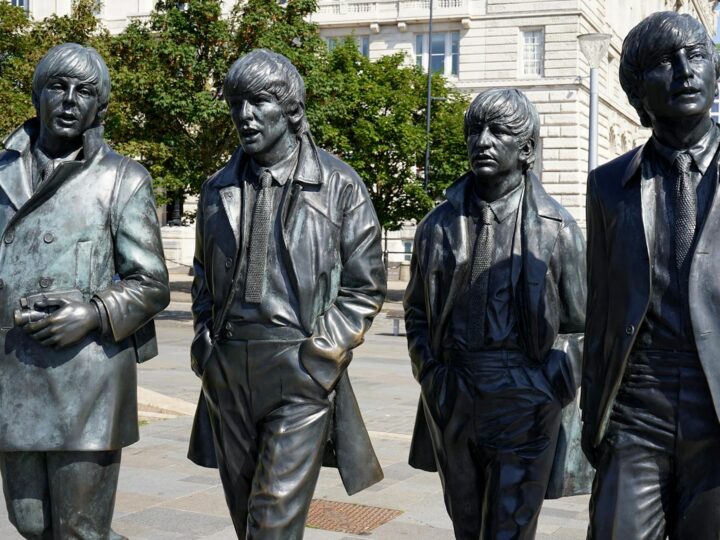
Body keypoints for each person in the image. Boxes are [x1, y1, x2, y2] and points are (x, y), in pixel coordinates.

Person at [187, 48, 386, 539]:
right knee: (247, 521)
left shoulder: (339, 185)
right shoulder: (217, 188)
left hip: (298, 368)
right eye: (236, 103)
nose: (245, 115)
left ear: (291, 109)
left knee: (271, 524)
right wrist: (204, 344)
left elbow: (365, 286)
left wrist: (321, 355)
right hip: (227, 369)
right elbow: (201, 276)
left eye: (258, 102)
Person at [0, 43, 169, 539]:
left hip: (88, 376)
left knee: (79, 529)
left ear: (100, 106)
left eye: (86, 91)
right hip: (14, 372)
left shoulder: (122, 179)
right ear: (38, 94)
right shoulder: (1, 172)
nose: (70, 100)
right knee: (30, 523)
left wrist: (94, 312)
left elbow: (151, 283)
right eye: (58, 86)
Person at [405, 88, 586, 540]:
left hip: (524, 394)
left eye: (498, 131)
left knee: (509, 529)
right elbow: (416, 312)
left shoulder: (558, 228)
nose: (482, 141)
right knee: (466, 526)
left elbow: (580, 325)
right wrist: (433, 375)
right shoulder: (437, 226)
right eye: (475, 131)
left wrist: (548, 387)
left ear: (526, 149)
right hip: (455, 390)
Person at [583, 11, 720, 539]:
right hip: (637, 406)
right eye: (665, 61)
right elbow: (601, 309)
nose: (685, 71)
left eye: (697, 56)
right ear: (638, 90)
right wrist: (593, 417)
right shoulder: (608, 186)